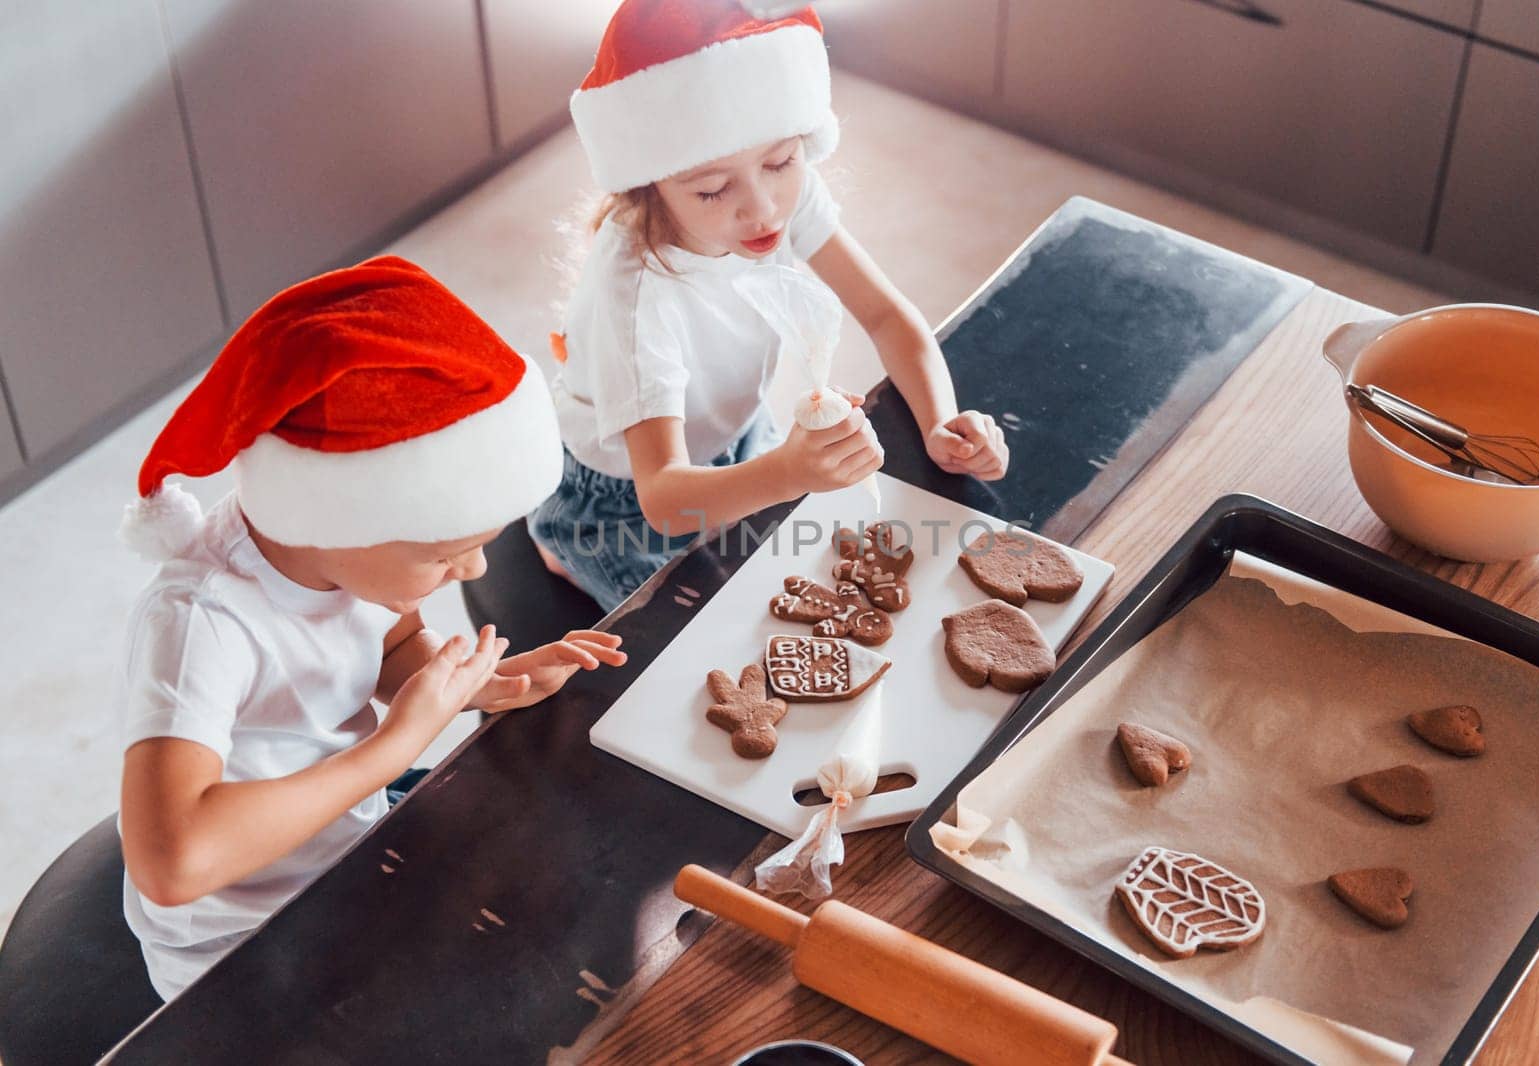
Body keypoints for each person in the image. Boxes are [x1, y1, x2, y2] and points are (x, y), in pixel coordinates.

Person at [115, 255, 626, 1000]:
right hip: (242, 943)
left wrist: (475, 686)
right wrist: (395, 748)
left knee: (571, 891)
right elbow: (172, 862)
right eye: (448, 554)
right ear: (338, 519)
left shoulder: (351, 560)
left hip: (351, 847)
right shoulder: (201, 624)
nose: (478, 572)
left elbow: (388, 648)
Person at [532, 0, 1010, 610]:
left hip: (736, 431)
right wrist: (786, 473)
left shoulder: (782, 193)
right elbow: (663, 498)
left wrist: (941, 420)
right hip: (618, 498)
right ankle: (561, 544)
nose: (762, 209)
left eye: (782, 160)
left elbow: (888, 316)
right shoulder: (636, 291)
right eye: (712, 189)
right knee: (705, 626)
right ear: (650, 181)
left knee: (810, 572)